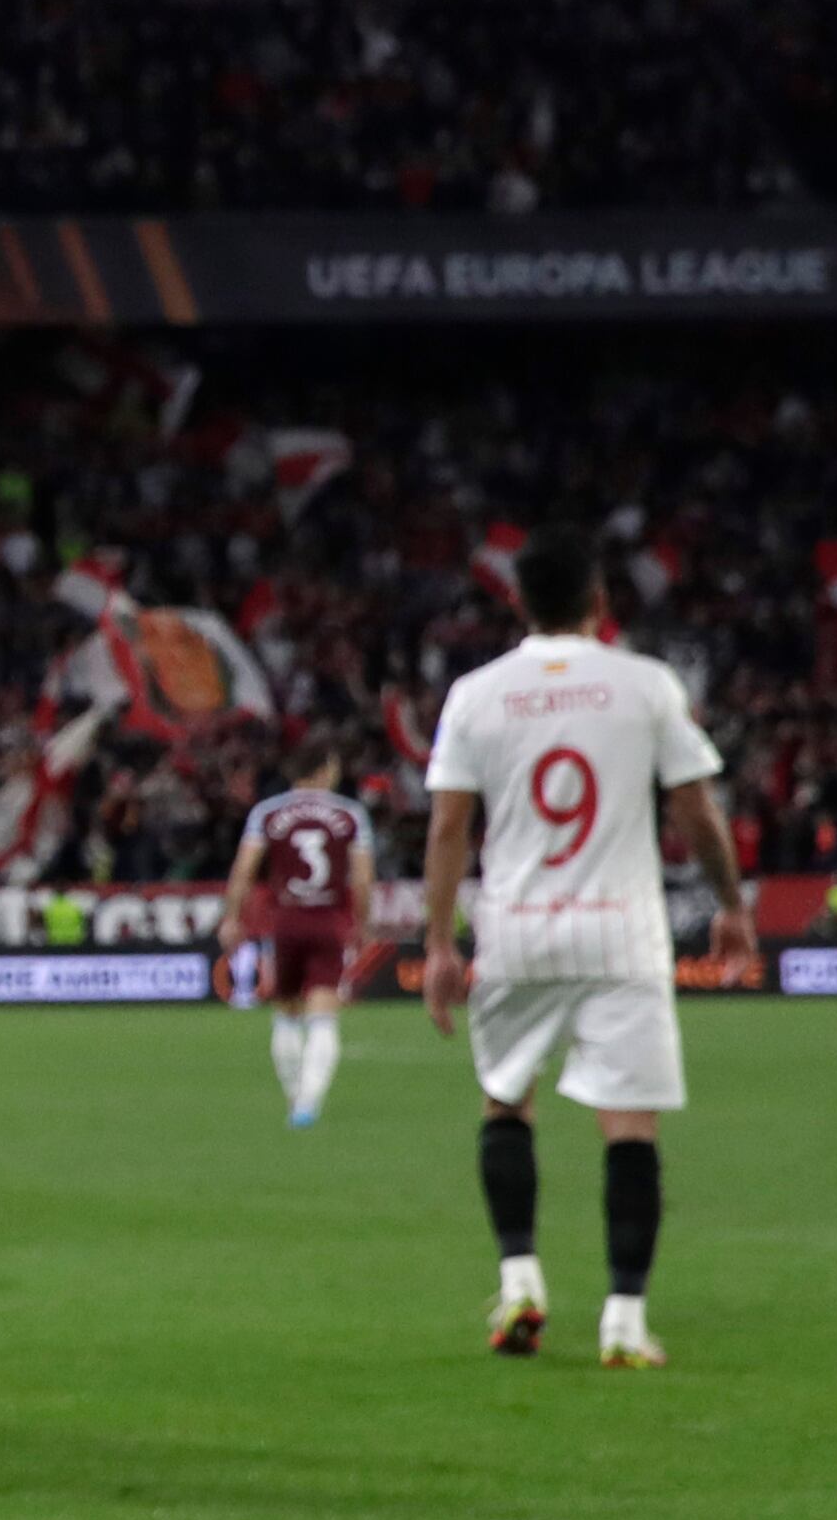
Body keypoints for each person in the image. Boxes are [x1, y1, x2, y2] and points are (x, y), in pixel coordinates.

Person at [419, 528, 754, 1367]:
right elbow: (695, 811)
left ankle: (522, 1278)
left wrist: (438, 945)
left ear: (519, 603)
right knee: (629, 1125)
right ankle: (624, 1321)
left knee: (506, 1101)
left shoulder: (476, 693)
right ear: (600, 602)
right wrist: (731, 902)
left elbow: (450, 826)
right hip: (622, 930)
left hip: (518, 929)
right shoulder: (644, 685)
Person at [217, 744, 376, 1127]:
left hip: (286, 921)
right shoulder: (350, 814)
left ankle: (293, 1094)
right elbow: (363, 878)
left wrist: (232, 918)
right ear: (323, 770)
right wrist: (363, 922)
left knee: (286, 1012)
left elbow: (243, 870)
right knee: (324, 1014)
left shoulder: (267, 813)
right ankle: (308, 1103)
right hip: (329, 921)